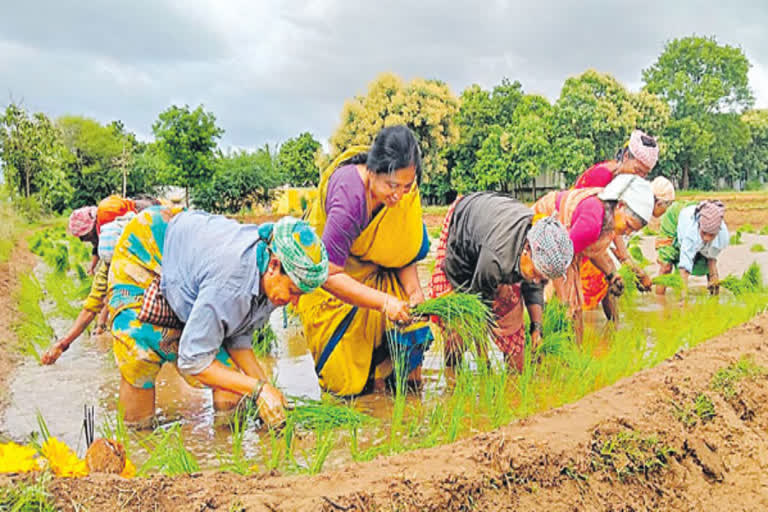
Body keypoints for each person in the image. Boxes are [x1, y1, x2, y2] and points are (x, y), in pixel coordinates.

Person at [107, 206, 328, 427]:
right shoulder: (231, 282)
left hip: (194, 268)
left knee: (231, 385)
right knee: (141, 354)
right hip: (148, 248)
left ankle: (225, 444)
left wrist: (268, 390)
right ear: (274, 265)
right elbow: (192, 360)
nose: (295, 302)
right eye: (294, 292)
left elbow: (237, 335)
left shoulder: (270, 280)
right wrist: (259, 390)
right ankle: (137, 437)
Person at [296, 125, 432, 397]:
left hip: (381, 276)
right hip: (338, 288)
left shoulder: (405, 195)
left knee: (413, 335)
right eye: (391, 186)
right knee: (347, 387)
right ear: (372, 170)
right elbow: (329, 274)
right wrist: (385, 303)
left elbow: (402, 249)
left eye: (406, 186)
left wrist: (414, 291)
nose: (399, 195)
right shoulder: (350, 198)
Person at [429, 192, 573, 371]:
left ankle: (514, 374)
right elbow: (476, 304)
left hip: (493, 230)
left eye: (543, 278)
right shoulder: (494, 260)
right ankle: (451, 373)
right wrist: (484, 363)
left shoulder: (536, 236)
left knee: (515, 344)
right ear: (527, 249)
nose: (537, 280)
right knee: (458, 330)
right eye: (536, 273)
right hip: (462, 234)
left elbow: (533, 284)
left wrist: (537, 328)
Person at [533, 175, 655, 339]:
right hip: (545, 229)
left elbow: (590, 248)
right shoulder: (592, 221)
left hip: (565, 246)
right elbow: (557, 261)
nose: (627, 233)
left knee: (573, 309)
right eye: (628, 225)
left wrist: (611, 274)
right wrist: (561, 304)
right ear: (620, 205)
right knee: (568, 309)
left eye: (632, 231)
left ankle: (574, 353)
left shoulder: (607, 215)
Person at [42, 196, 158, 364]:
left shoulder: (150, 256)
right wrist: (63, 344)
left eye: (85, 237)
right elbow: (93, 303)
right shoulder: (108, 253)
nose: (84, 241)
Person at [579, 176, 675, 320]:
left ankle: (609, 327)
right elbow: (618, 247)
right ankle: (607, 327)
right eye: (666, 206)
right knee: (597, 290)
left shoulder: (638, 214)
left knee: (604, 288)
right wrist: (638, 273)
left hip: (600, 249)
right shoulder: (633, 209)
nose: (665, 211)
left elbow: (621, 251)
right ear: (659, 203)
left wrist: (637, 274)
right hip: (594, 249)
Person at [655, 200, 729, 296]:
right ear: (699, 227)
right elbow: (685, 268)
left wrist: (714, 278)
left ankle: (714, 298)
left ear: (717, 232)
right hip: (675, 218)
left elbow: (711, 259)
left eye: (711, 235)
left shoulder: (722, 237)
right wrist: (683, 299)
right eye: (704, 233)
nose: (706, 238)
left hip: (698, 215)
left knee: (706, 264)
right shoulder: (691, 232)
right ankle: (660, 302)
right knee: (666, 266)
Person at [574, 130, 660, 188]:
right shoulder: (602, 175)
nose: (640, 177)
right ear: (626, 156)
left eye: (644, 174)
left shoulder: (622, 180)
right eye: (638, 170)